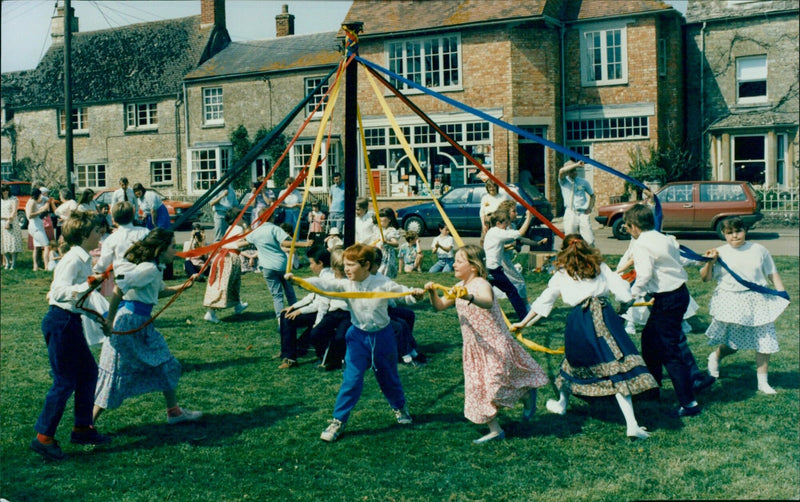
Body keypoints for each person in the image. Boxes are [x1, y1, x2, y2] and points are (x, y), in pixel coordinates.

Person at [512, 235, 656, 440]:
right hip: (603, 317)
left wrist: (523, 323)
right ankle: (631, 423)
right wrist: (623, 307)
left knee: (574, 360)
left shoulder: (561, 274)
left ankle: (563, 403)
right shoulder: (600, 267)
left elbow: (544, 302)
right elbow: (624, 293)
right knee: (615, 363)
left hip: (578, 321)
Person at [287, 243, 425, 442]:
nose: (346, 269)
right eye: (345, 265)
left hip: (383, 338)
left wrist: (416, 295)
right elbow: (325, 285)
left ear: (366, 265)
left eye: (351, 265)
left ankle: (400, 408)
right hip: (357, 338)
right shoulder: (346, 284)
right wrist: (299, 280)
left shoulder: (382, 283)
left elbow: (403, 293)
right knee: (351, 380)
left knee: (388, 377)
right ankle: (338, 421)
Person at [425, 245, 548, 443]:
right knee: (478, 389)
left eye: (459, 261)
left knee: (494, 384)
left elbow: (488, 301)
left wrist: (468, 296)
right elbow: (439, 306)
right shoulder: (459, 288)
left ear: (473, 266)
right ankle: (495, 429)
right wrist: (432, 292)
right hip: (474, 349)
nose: (454, 264)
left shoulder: (481, 283)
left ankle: (525, 394)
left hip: (493, 344)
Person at [93, 228, 202, 426]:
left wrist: (183, 286)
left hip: (142, 324)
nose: (175, 251)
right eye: (172, 247)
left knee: (165, 363)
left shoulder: (155, 268)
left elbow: (156, 292)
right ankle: (86, 424)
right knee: (114, 373)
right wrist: (110, 320)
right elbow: (119, 288)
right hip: (129, 323)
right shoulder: (148, 269)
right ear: (160, 249)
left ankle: (174, 412)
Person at [30, 211, 112, 461]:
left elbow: (80, 298)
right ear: (84, 235)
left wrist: (98, 317)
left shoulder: (83, 258)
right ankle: (44, 438)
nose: (101, 235)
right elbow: (59, 292)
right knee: (64, 381)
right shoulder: (73, 260)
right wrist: (89, 283)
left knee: (88, 374)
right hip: (60, 323)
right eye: (97, 232)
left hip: (70, 321)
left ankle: (82, 428)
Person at [623, 203, 703, 418]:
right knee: (649, 341)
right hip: (677, 295)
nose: (629, 232)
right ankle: (652, 388)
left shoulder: (642, 244)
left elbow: (645, 274)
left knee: (670, 351)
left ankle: (689, 403)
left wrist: (629, 298)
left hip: (668, 299)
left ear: (634, 226)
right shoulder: (665, 238)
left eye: (627, 228)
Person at [701, 217, 788, 394]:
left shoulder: (759, 249)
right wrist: (709, 261)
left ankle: (762, 382)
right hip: (730, 299)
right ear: (724, 235)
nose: (735, 236)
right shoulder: (718, 252)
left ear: (745, 230)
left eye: (738, 231)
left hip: (757, 299)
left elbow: (772, 272)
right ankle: (715, 356)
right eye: (729, 233)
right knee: (733, 344)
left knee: (765, 339)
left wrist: (782, 293)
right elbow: (706, 278)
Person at [276, 247, 332, 369]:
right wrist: (293, 306)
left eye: (312, 263)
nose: (310, 266)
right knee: (285, 314)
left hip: (324, 313)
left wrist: (300, 310)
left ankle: (290, 357)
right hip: (317, 309)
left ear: (320, 263)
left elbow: (321, 304)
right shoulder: (323, 276)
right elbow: (312, 295)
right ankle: (287, 351)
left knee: (288, 319)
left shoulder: (327, 278)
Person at [245, 210, 297, 323]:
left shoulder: (256, 231)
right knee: (289, 291)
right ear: (272, 217)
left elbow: (245, 240)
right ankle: (296, 314)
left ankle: (280, 320)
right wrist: (304, 244)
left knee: (276, 295)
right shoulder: (275, 229)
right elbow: (285, 243)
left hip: (267, 267)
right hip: (281, 265)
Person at [484, 207, 534, 321]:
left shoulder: (491, 232)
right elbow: (520, 233)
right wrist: (529, 217)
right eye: (506, 224)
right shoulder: (497, 232)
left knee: (484, 292)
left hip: (488, 268)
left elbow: (499, 247)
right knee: (512, 291)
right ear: (498, 223)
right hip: (494, 270)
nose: (507, 226)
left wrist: (512, 246)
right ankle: (524, 316)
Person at [203, 208, 249, 323]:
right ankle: (211, 312)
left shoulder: (231, 228)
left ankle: (237, 305)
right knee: (224, 284)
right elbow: (238, 244)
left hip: (225, 257)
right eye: (242, 217)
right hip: (229, 258)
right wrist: (251, 241)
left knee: (233, 283)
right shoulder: (238, 228)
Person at [93, 201, 149, 278]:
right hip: (145, 274)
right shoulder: (145, 232)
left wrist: (96, 269)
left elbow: (104, 262)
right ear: (132, 216)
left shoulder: (111, 239)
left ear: (114, 219)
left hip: (123, 277)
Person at [558, 160, 595, 245]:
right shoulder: (563, 181)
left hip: (582, 212)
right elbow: (561, 171)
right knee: (569, 239)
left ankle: (590, 256)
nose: (574, 172)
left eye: (575, 170)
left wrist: (590, 208)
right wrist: (576, 164)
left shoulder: (583, 182)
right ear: (567, 172)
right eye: (572, 170)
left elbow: (592, 196)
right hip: (570, 212)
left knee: (590, 240)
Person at [26, 187, 51, 271]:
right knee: (46, 245)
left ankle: (35, 267)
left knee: (36, 247)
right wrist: (40, 211)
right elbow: (30, 215)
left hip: (35, 225)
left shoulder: (31, 201)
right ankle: (47, 266)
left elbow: (47, 200)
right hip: (36, 227)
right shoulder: (32, 202)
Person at [1, 183, 24, 270]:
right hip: (2, 223)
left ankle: (13, 263)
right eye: (3, 190)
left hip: (11, 223)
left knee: (13, 242)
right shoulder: (1, 200)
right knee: (4, 244)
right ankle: (7, 263)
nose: (5, 192)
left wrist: (8, 220)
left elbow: (14, 212)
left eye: (6, 190)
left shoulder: (14, 199)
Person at [377, 208, 400, 278]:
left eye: (383, 216)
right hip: (379, 254)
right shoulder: (381, 230)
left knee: (382, 273)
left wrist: (386, 242)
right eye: (380, 216)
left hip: (386, 256)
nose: (380, 218)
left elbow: (396, 243)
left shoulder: (391, 230)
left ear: (389, 219)